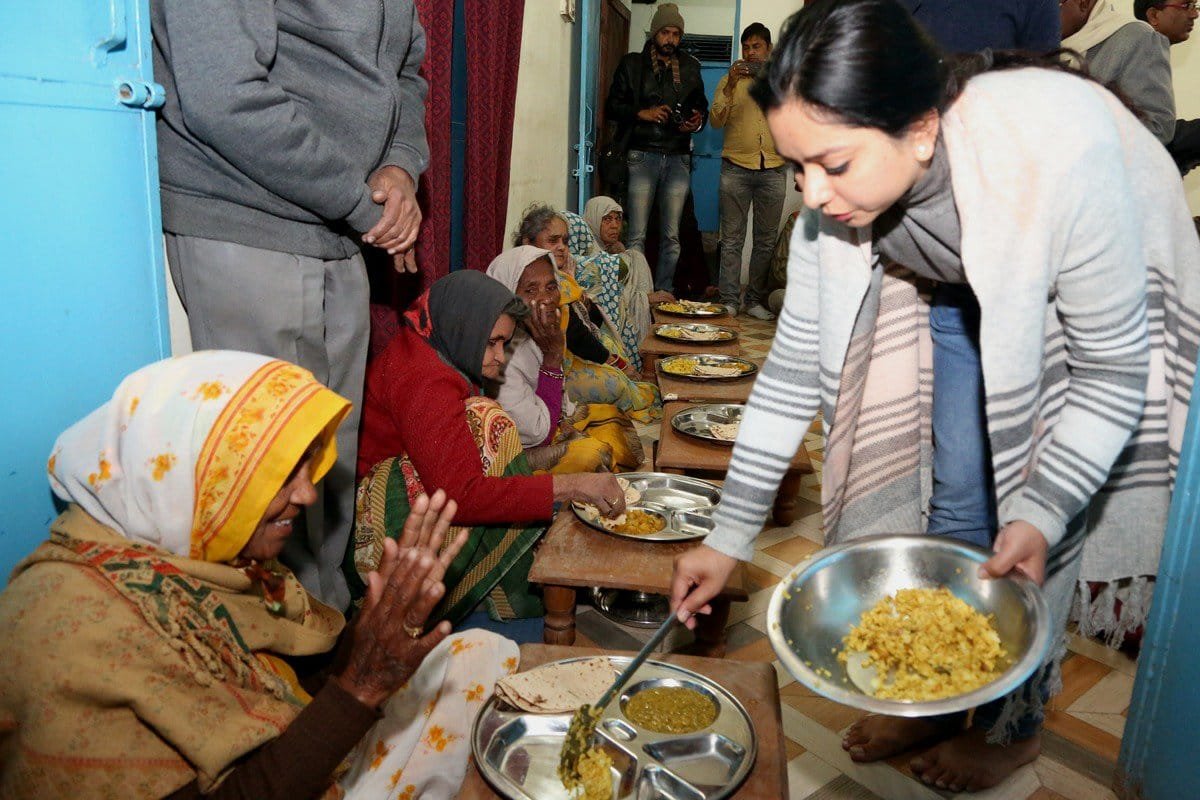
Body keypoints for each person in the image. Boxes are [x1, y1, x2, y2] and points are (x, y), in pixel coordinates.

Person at [669, 0, 1200, 792]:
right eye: (796, 167)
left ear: (919, 129)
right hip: (958, 269)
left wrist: (1044, 509)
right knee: (958, 488)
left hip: (1088, 274)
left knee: (1038, 513)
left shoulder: (1063, 157)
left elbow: (1112, 374)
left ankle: (1016, 728)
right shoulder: (845, 190)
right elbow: (789, 368)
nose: (812, 197)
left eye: (833, 165)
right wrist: (729, 536)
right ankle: (936, 699)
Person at [0, 351, 517, 799]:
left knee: (473, 654)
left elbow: (296, 681)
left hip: (290, 756)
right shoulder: (73, 624)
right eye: (278, 474)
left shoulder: (208, 555)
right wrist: (361, 686)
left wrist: (371, 633)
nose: (308, 494)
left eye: (307, 467)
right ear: (200, 475)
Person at [151, 0, 430, 612]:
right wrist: (360, 204)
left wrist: (401, 166)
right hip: (248, 220)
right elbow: (224, 93)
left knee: (328, 465)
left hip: (342, 228)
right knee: (262, 481)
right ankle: (276, 668)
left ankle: (323, 639)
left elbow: (406, 71)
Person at [351, 271, 626, 628]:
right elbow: (462, 495)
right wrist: (572, 486)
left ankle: (500, 574)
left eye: (504, 343)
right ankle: (440, 594)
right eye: (491, 342)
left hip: (417, 485)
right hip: (381, 521)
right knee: (489, 420)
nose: (499, 357)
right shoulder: (425, 380)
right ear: (464, 327)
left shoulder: (431, 346)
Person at [487, 247, 646, 472]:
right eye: (531, 290)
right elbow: (537, 435)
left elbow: (559, 401)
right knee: (593, 455)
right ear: (507, 295)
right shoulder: (499, 353)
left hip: (549, 421)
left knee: (613, 415)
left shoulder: (533, 334)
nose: (546, 299)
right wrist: (552, 358)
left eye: (551, 287)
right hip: (520, 452)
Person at [514, 206, 662, 420]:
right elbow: (574, 335)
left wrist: (586, 304)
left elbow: (584, 324)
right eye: (553, 241)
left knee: (611, 347)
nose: (562, 248)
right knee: (616, 383)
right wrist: (614, 362)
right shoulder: (531, 278)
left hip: (569, 354)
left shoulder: (564, 275)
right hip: (544, 367)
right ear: (528, 242)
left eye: (565, 241)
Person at [605, 3, 710, 293]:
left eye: (676, 34)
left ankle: (661, 293)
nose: (671, 39)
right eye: (665, 32)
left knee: (672, 236)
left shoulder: (690, 66)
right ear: (654, 33)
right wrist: (644, 113)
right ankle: (636, 294)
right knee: (636, 233)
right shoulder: (632, 64)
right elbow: (612, 105)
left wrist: (697, 121)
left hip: (678, 156)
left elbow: (701, 105)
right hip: (642, 154)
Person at [712, 22, 788, 321]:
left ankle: (754, 300)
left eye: (756, 46)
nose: (750, 52)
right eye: (746, 47)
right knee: (731, 239)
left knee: (765, 241)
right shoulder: (728, 81)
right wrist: (730, 85)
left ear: (769, 49)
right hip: (735, 168)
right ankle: (729, 299)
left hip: (774, 167)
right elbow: (716, 120)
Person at [1062, 0, 1176, 143]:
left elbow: (1157, 127)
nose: (1043, 16)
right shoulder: (1041, 43)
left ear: (1083, 3)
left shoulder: (1137, 38)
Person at [1135, 0, 1200, 172]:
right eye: (1186, 6)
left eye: (1195, 6)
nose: (1195, 14)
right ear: (1154, 15)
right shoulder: (1141, 49)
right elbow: (1150, 135)